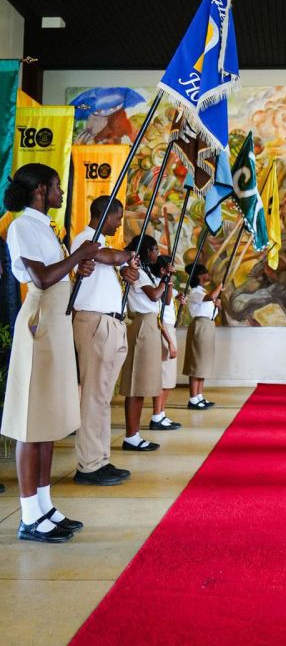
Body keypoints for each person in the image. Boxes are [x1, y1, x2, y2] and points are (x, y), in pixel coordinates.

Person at [2, 163, 100, 542]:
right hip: (39, 325)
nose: (61, 193)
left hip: (57, 324)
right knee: (31, 422)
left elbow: (57, 273)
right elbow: (41, 278)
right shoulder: (21, 227)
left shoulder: (45, 228)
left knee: (47, 422)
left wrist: (78, 267)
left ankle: (45, 506)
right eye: (58, 187)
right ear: (41, 189)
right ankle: (29, 516)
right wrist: (78, 257)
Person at [72, 196, 140, 485]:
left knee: (101, 397)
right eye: (117, 217)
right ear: (102, 214)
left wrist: (125, 272)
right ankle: (87, 465)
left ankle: (100, 459)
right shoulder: (86, 240)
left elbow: (110, 262)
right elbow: (109, 256)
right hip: (94, 323)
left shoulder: (101, 246)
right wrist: (126, 258)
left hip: (111, 323)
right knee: (92, 397)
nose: (119, 222)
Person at [120, 234, 174, 451]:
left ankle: (135, 434)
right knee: (136, 383)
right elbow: (153, 296)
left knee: (143, 383)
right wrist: (162, 280)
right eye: (153, 250)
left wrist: (168, 278)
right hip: (142, 325)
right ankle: (131, 436)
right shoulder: (138, 273)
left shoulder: (149, 274)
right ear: (144, 251)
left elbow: (166, 300)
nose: (156, 254)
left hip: (152, 324)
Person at [149, 255, 183, 430]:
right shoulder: (158, 283)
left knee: (168, 376)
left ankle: (161, 413)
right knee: (164, 375)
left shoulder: (164, 282)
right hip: (164, 328)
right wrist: (168, 281)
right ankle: (157, 415)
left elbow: (174, 296)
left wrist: (179, 294)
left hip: (170, 327)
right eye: (170, 268)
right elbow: (166, 300)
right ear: (163, 270)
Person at [184, 263, 222, 409]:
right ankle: (193, 398)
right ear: (200, 275)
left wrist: (218, 305)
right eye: (205, 272)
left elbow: (212, 307)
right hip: (200, 326)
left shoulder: (203, 292)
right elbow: (209, 297)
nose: (208, 274)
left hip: (208, 325)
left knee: (203, 361)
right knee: (196, 362)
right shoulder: (195, 292)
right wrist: (219, 287)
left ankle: (199, 396)